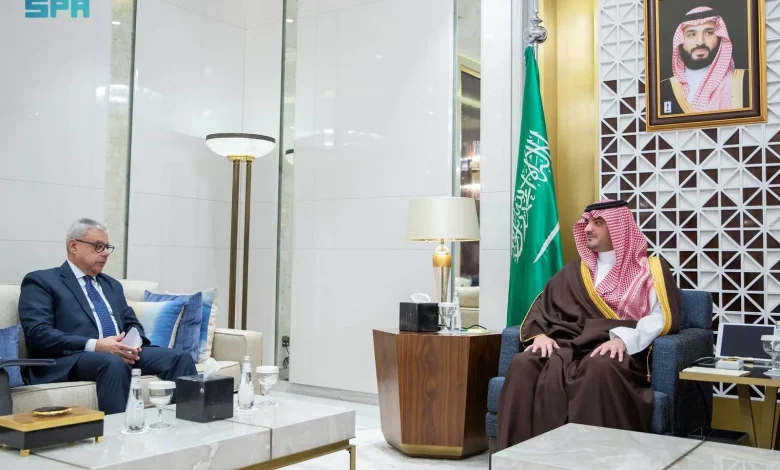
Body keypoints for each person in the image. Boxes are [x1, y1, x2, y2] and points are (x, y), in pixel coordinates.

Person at [497, 200, 681, 449]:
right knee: (524, 362)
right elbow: (544, 305)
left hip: (618, 349)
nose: (587, 229)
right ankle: (519, 458)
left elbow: (661, 317)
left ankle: (592, 457)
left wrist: (624, 339)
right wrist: (540, 334)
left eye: (598, 222)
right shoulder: (576, 271)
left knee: (599, 365)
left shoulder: (650, 270)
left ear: (619, 227)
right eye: (586, 223)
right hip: (569, 345)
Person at [18, 218, 197, 414]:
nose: (105, 253)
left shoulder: (112, 285)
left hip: (119, 352)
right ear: (73, 246)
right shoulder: (42, 281)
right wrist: (96, 345)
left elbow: (131, 323)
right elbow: (38, 333)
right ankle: (119, 431)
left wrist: (133, 344)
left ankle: (188, 423)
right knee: (112, 362)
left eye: (107, 247)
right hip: (70, 358)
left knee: (179, 357)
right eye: (98, 246)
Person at [660, 6, 749, 115]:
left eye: (709, 33)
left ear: (720, 37)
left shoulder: (746, 81)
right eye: (691, 34)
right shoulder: (663, 89)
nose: (700, 42)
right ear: (681, 41)